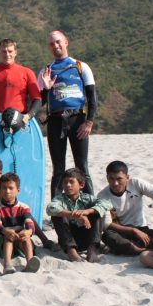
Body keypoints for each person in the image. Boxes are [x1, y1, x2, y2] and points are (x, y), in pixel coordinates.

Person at [38, 31, 97, 198]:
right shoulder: (46, 71)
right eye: (51, 44)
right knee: (58, 168)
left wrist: (89, 122)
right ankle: (58, 213)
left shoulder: (80, 66)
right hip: (55, 122)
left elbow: (92, 97)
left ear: (66, 42)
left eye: (58, 42)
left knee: (82, 167)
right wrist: (46, 89)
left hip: (78, 120)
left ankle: (90, 207)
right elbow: (39, 101)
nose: (55, 46)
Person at [0, 157, 58, 253]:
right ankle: (4, 245)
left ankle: (45, 240)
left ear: (0, 173)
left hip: (9, 226)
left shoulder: (6, 187)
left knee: (27, 217)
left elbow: (17, 208)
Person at [98, 160, 153, 255]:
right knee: (107, 236)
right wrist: (133, 230)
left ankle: (136, 248)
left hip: (142, 229)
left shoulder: (136, 183)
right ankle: (140, 250)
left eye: (119, 179)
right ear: (107, 178)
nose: (115, 183)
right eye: (111, 178)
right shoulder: (102, 196)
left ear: (127, 177)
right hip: (121, 232)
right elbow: (107, 224)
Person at [46, 168, 112, 263]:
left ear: (81, 185)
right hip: (69, 238)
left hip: (88, 237)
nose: (68, 185)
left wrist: (87, 211)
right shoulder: (60, 199)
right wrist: (74, 215)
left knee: (98, 211)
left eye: (71, 182)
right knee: (57, 216)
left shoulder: (87, 198)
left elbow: (107, 204)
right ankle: (71, 252)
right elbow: (50, 208)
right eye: (65, 182)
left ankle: (92, 250)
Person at [0, 173, 41, 275]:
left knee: (25, 236)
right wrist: (5, 230)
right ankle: (7, 265)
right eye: (4, 188)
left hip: (20, 242)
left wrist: (29, 231)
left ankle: (30, 262)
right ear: (0, 190)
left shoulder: (24, 207)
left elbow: (29, 222)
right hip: (3, 241)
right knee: (9, 235)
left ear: (18, 190)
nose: (7, 191)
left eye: (10, 188)